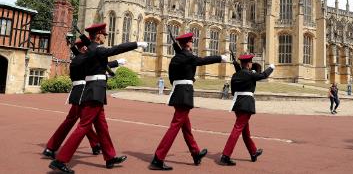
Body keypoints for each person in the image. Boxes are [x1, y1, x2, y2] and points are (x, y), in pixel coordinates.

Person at [49, 23, 148, 173]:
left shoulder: (91, 51)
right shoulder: (96, 49)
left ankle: (109, 156)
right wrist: (137, 44)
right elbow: (117, 49)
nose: (105, 38)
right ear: (99, 35)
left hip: (96, 91)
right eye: (104, 35)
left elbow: (100, 64)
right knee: (83, 126)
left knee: (102, 127)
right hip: (94, 91)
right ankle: (60, 160)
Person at [149, 32, 227, 171]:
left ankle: (195, 153)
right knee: (175, 126)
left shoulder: (176, 59)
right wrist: (220, 58)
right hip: (185, 93)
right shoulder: (187, 56)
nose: (193, 43)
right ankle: (158, 158)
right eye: (191, 42)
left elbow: (172, 78)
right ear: (188, 43)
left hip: (178, 91)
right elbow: (202, 60)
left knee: (186, 128)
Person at [42, 39, 126, 160]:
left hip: (85, 92)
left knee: (94, 123)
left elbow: (96, 62)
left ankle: (98, 146)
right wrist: (116, 63)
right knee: (79, 122)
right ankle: (53, 149)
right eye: (86, 47)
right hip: (83, 92)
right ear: (83, 48)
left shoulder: (82, 58)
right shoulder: (82, 58)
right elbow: (96, 62)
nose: (89, 48)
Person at [219, 54, 274, 166]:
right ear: (249, 64)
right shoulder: (250, 74)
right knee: (237, 129)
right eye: (250, 63)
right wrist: (271, 68)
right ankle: (226, 155)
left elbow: (233, 92)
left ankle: (253, 152)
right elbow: (263, 75)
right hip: (246, 104)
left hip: (237, 104)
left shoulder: (235, 75)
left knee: (245, 132)